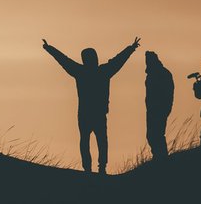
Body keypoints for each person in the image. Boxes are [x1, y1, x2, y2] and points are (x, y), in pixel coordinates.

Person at [42, 36, 140, 174]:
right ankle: (100, 168)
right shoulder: (103, 71)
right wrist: (131, 48)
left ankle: (89, 168)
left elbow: (64, 60)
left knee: (88, 141)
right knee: (100, 141)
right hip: (97, 114)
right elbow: (118, 61)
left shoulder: (81, 71)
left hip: (86, 114)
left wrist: (49, 48)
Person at [144, 51, 174, 159]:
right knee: (152, 135)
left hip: (159, 110)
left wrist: (165, 108)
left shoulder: (162, 74)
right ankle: (158, 156)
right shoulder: (152, 74)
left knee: (156, 135)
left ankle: (161, 158)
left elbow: (168, 93)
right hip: (152, 109)